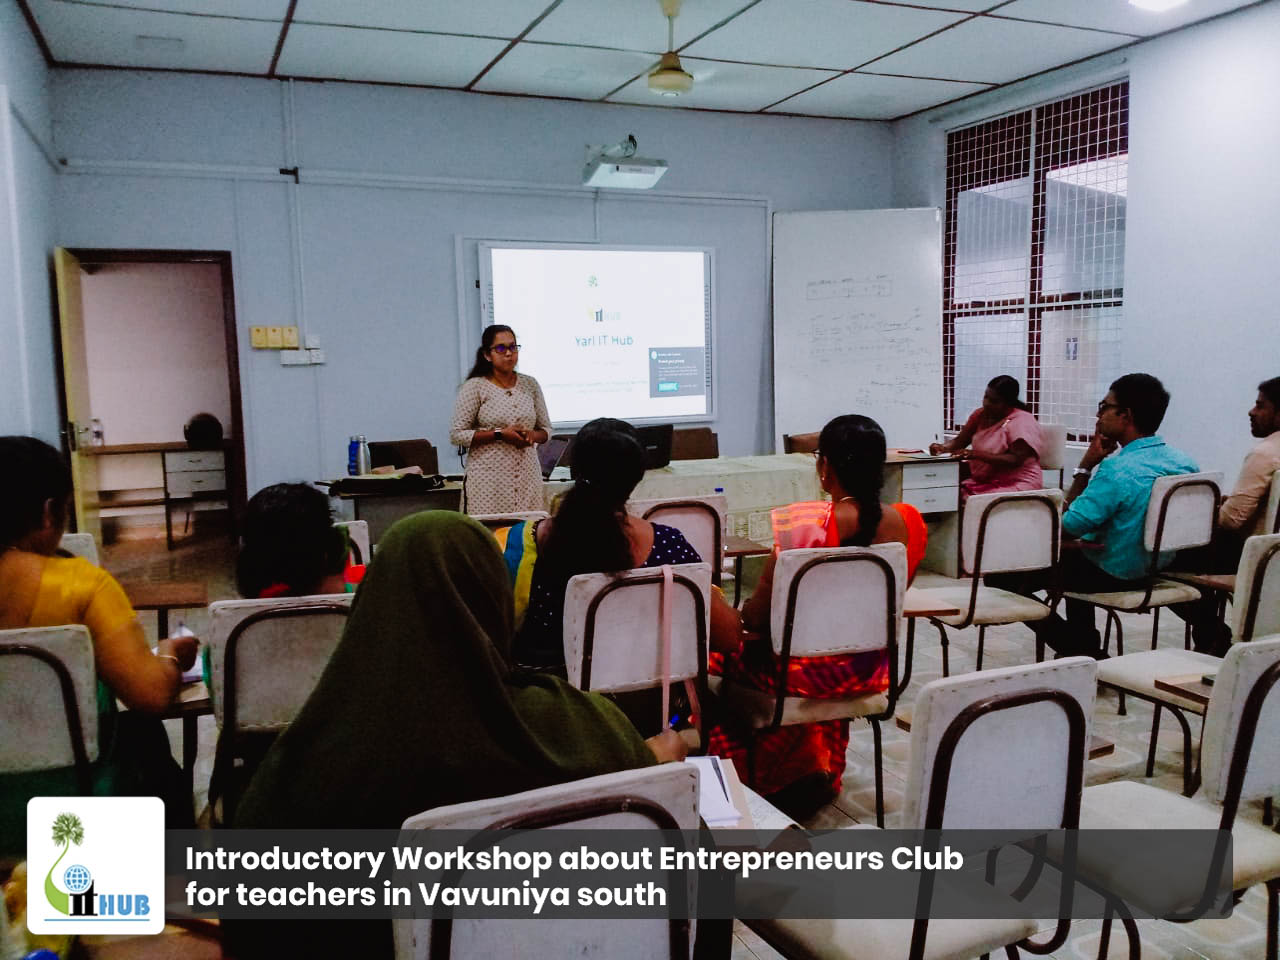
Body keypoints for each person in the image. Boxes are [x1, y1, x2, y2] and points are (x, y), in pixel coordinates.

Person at [228, 511, 686, 959]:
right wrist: (666, 750)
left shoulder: (300, 766)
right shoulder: (570, 722)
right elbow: (641, 785)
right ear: (493, 596)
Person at [707, 415, 928, 807]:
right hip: (867, 673)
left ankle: (756, 780)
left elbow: (757, 618)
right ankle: (810, 768)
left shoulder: (803, 524)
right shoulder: (902, 521)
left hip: (799, 679)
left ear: (825, 466)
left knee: (712, 658)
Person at [0, 436, 198, 853]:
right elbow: (150, 695)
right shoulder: (80, 585)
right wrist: (166, 654)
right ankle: (178, 897)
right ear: (51, 511)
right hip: (72, 804)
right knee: (146, 736)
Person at [496, 417, 740, 676]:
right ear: (636, 477)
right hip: (643, 704)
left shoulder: (515, 543)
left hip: (550, 701)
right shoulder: (669, 546)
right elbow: (727, 638)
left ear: (574, 470)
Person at [986, 373, 1199, 658]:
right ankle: (1084, 641)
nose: (1098, 415)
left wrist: (1085, 467)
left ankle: (1077, 648)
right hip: (1157, 565)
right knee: (1079, 552)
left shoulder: (1117, 470)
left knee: (1001, 577)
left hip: (1113, 572)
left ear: (1126, 415)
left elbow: (1067, 526)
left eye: (1104, 407)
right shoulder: (1185, 463)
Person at [207, 482, 363, 822]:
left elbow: (215, 690)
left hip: (260, 787)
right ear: (328, 555)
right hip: (353, 781)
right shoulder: (357, 614)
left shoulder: (233, 628)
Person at [450, 324, 552, 514]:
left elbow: (546, 430)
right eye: (501, 348)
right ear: (487, 355)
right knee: (490, 538)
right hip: (489, 481)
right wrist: (499, 435)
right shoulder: (475, 387)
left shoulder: (530, 384)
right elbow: (457, 435)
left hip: (527, 477)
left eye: (513, 347)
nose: (508, 353)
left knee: (526, 536)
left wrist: (531, 436)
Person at [930, 374, 1044, 499]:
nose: (986, 403)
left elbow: (1014, 460)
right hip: (986, 481)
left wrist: (976, 454)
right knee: (946, 493)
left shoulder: (1022, 420)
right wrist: (942, 448)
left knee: (973, 501)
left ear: (1009, 403)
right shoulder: (979, 415)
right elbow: (959, 442)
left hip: (1018, 483)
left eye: (994, 401)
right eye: (986, 397)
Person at [1219, 377, 1280, 538]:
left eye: (1260, 406)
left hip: (1256, 554)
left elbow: (1230, 520)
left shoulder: (1265, 453)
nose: (1252, 412)